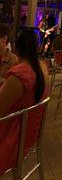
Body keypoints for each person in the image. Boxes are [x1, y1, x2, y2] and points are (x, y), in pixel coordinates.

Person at [0, 29, 50, 175]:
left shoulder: (20, 75)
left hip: (10, 139)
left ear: (15, 47)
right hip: (26, 136)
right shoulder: (42, 68)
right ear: (39, 48)